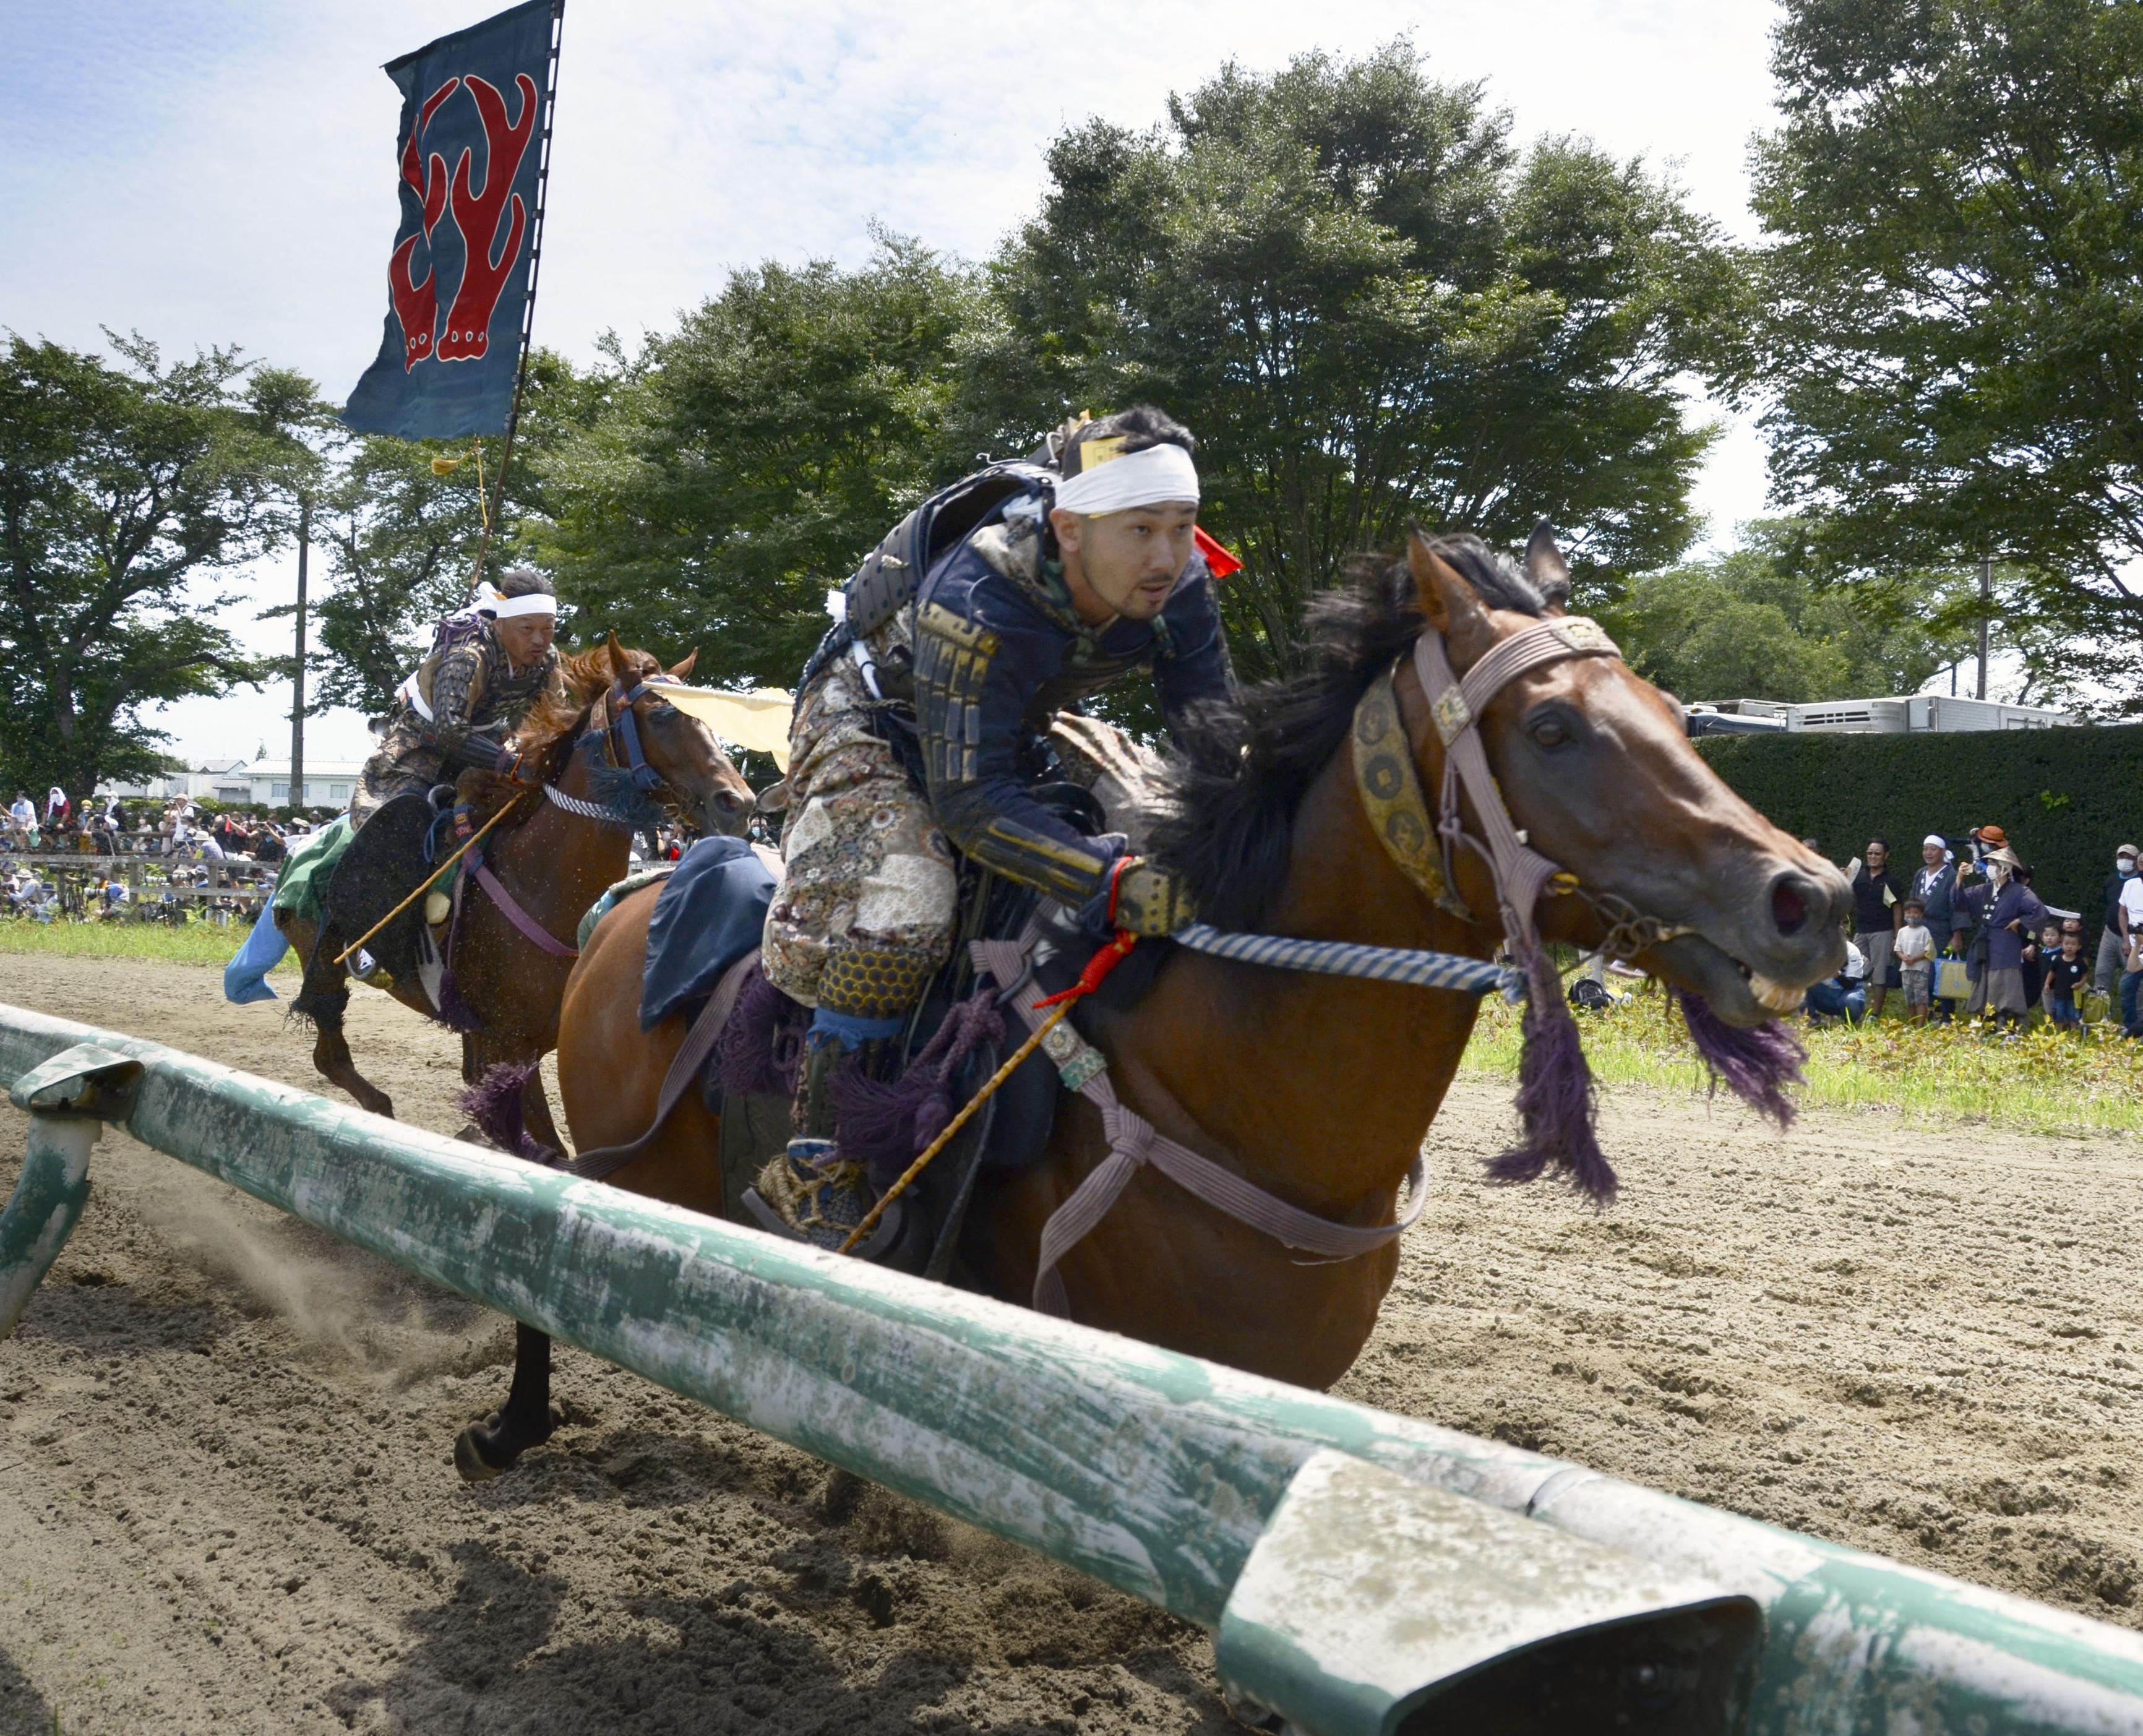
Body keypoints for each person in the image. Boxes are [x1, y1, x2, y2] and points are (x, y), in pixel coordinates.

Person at [757, 406, 1232, 1250]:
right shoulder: (979, 595)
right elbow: (973, 806)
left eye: (1184, 527)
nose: (1168, 556)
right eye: (1142, 530)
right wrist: (1110, 881)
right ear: (1071, 530)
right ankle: (814, 1157)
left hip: (1002, 717)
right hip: (864, 713)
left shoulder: (1183, 583)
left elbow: (1217, 743)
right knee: (911, 896)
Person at [351, 569, 565, 830]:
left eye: (548, 629)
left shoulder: (548, 660)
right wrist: (511, 765)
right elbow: (450, 731)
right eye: (527, 628)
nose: (538, 640)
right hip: (421, 744)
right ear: (501, 624)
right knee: (399, 823)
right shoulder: (468, 657)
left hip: (491, 740)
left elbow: (556, 718)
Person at [1951, 843, 2045, 1028]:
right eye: (1990, 864)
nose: (1991, 868)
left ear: (2005, 869)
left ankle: (2009, 1026)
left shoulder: (2020, 892)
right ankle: (1987, 1023)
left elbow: (2038, 910)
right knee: (1984, 981)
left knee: (2004, 983)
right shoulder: (1982, 890)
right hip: (1985, 942)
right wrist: (1960, 878)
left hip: (2006, 943)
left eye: (1995, 864)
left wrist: (2020, 921)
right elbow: (1959, 901)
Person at [1848, 839, 1904, 1019]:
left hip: (1883, 931)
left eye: (1877, 853)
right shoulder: (1859, 876)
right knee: (1854, 970)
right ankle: (1853, 1009)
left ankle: (1875, 1014)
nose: (1873, 857)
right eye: (1870, 853)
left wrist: (1897, 935)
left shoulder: (1891, 880)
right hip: (1861, 930)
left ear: (1886, 856)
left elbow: (1896, 908)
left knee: (1880, 975)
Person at [2096, 844, 2139, 999]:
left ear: (2136, 861)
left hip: (2133, 937)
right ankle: (2100, 1014)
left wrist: (2128, 939)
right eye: (2121, 857)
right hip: (2110, 933)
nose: (2124, 860)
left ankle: (2135, 1017)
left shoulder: (2139, 882)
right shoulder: (2112, 881)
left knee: (2133, 977)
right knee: (2101, 973)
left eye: (2128, 857)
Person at [1894, 898, 1934, 1026]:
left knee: (1921, 999)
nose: (1912, 916)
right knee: (1909, 999)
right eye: (1909, 913)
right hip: (1906, 969)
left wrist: (1915, 959)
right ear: (1905, 914)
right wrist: (1903, 957)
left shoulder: (1924, 931)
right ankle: (1911, 1024)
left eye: (1916, 913)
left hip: (1921, 969)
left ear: (1921, 914)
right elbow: (1897, 949)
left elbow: (1930, 952)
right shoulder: (1902, 931)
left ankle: (1920, 1026)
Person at [2044, 921, 2088, 1029]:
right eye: (2067, 944)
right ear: (2061, 945)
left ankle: (2073, 1032)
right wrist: (2047, 984)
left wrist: (2080, 984)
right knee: (2059, 1015)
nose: (2070, 947)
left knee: (2073, 1015)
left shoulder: (2079, 961)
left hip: (2074, 995)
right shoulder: (2058, 959)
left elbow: (2085, 975)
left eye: (2073, 945)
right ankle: (2059, 1033)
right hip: (2059, 994)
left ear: (2079, 947)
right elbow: (2052, 972)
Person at [2120, 862, 2143, 1038]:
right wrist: (2137, 944)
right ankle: (2131, 1030)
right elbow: (2132, 968)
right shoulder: (2131, 885)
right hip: (2139, 946)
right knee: (2126, 985)